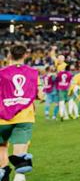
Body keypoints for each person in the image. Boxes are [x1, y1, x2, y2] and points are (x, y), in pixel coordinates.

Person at [0, 45, 42, 181]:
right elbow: (40, 95)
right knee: (20, 157)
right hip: (24, 116)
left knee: (2, 147)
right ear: (25, 56)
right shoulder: (33, 73)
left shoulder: (2, 72)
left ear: (9, 56)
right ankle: (18, 175)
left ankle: (4, 174)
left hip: (2, 116)